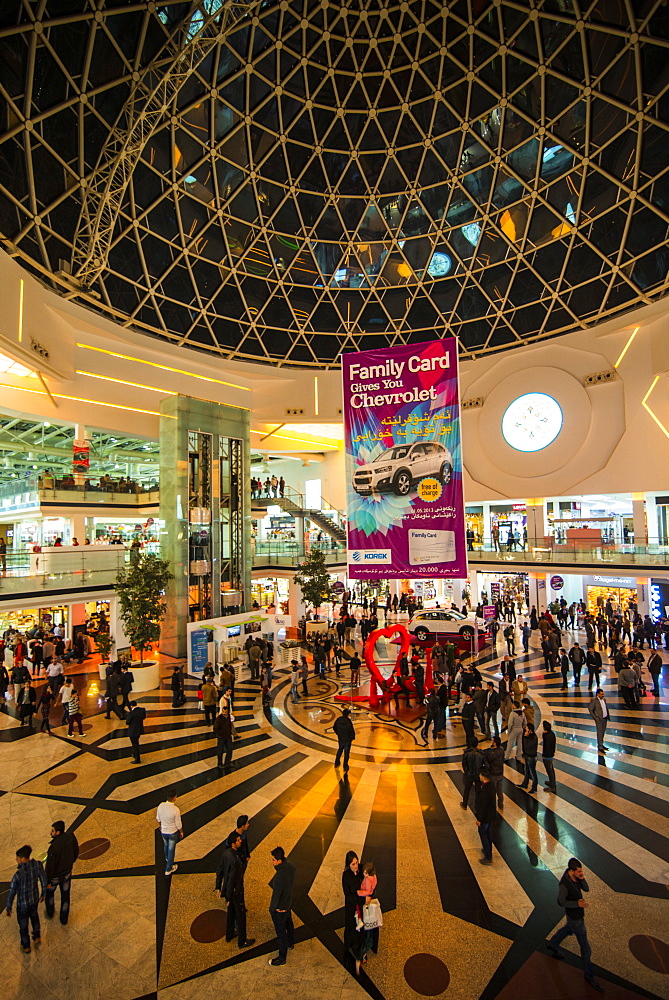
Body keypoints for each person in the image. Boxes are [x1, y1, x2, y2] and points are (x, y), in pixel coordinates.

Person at [546, 858, 603, 992]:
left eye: (581, 870)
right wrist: (577, 904)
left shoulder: (576, 877)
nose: (580, 872)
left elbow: (586, 889)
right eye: (578, 871)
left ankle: (552, 944)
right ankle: (589, 975)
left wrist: (582, 878)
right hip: (576, 918)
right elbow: (560, 901)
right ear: (571, 871)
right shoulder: (564, 885)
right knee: (586, 949)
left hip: (576, 917)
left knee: (567, 929)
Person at [6, 844, 47, 953]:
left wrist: (9, 907)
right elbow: (43, 879)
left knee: (23, 925)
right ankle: (37, 936)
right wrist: (43, 893)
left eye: (18, 858)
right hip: (34, 900)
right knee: (34, 917)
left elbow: (12, 892)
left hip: (22, 905)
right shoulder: (38, 865)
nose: (16, 860)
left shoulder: (18, 875)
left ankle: (26, 946)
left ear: (23, 859)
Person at [219, 831, 255, 948]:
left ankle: (229, 934)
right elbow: (232, 880)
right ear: (233, 844)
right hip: (236, 892)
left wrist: (218, 886)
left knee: (231, 912)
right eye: (239, 840)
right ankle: (242, 941)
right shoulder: (235, 859)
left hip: (230, 891)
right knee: (240, 915)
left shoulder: (225, 854)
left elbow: (220, 871)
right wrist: (229, 897)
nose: (241, 841)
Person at [44, 820, 79, 925]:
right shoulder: (71, 837)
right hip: (67, 873)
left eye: (52, 831)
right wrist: (70, 864)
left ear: (58, 832)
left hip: (55, 876)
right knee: (65, 895)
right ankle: (64, 918)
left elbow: (50, 866)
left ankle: (50, 912)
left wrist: (48, 881)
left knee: (49, 894)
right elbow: (76, 851)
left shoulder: (53, 847)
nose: (51, 833)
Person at [268, 846, 295, 967]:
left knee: (281, 934)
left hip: (280, 909)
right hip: (288, 904)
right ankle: (291, 942)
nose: (272, 862)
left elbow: (276, 897)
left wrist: (272, 909)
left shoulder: (278, 878)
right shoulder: (290, 866)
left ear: (279, 861)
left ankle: (282, 957)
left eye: (273, 860)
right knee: (289, 924)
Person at [156, 789, 183, 876]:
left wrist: (161, 826)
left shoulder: (161, 805)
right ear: (174, 798)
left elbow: (158, 819)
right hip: (172, 832)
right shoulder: (175, 809)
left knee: (166, 846)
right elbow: (178, 824)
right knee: (171, 850)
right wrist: (181, 831)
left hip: (164, 831)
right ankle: (168, 868)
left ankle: (167, 859)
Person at [342, 850, 363, 958]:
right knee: (350, 926)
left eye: (356, 862)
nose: (356, 866)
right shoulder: (346, 876)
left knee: (361, 929)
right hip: (351, 906)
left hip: (360, 906)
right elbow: (348, 895)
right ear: (348, 865)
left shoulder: (361, 870)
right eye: (353, 864)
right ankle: (349, 945)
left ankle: (360, 949)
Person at [475, 770, 497, 865]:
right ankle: (488, 850)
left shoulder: (485, 790)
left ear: (483, 777)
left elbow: (484, 806)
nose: (479, 776)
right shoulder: (491, 785)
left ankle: (488, 856)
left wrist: (479, 819)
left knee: (483, 834)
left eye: (480, 775)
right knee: (488, 833)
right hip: (491, 815)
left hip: (485, 817)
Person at [460, 738, 484, 809]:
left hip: (469, 774)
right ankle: (477, 806)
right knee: (478, 791)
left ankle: (464, 804)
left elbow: (464, 764)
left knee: (467, 790)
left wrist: (466, 771)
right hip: (478, 774)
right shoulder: (481, 753)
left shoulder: (466, 753)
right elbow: (485, 763)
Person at [485, 736, 505, 809]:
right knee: (499, 790)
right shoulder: (502, 750)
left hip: (494, 773)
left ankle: (492, 806)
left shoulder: (493, 752)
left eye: (493, 741)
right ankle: (501, 804)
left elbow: (488, 758)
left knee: (493, 791)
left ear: (495, 743)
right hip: (500, 772)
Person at [587, 688, 609, 752]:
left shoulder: (604, 700)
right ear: (597, 694)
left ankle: (601, 744)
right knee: (599, 733)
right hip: (599, 719)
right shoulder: (594, 701)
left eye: (603, 694)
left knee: (603, 732)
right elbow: (590, 709)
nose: (603, 695)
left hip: (605, 718)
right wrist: (595, 717)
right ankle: (600, 747)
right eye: (601, 694)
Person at [334, 707, 355, 772]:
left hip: (341, 738)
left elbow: (334, 727)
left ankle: (337, 762)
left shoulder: (338, 719)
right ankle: (345, 766)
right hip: (347, 739)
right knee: (346, 753)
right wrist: (352, 737)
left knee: (340, 749)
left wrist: (338, 733)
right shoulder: (348, 721)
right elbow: (351, 730)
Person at [519, 722, 538, 793]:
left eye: (526, 728)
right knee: (526, 771)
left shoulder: (533, 738)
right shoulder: (529, 736)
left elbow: (527, 746)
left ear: (530, 730)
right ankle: (525, 784)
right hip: (527, 756)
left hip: (531, 757)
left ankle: (534, 787)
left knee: (532, 772)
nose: (525, 729)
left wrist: (525, 737)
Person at [542, 720, 557, 792]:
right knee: (551, 770)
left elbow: (546, 747)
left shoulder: (547, 736)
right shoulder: (552, 734)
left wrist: (544, 756)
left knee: (549, 771)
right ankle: (552, 782)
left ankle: (552, 786)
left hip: (547, 756)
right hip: (551, 755)